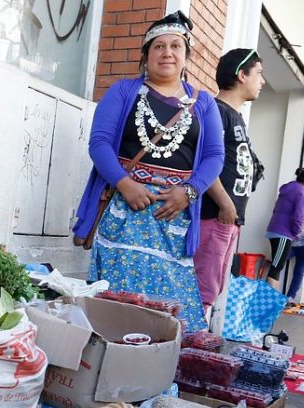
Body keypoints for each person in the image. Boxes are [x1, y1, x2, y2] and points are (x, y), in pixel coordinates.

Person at [72, 11, 225, 331]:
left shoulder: (205, 104)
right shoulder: (123, 91)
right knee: (115, 300)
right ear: (145, 55)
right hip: (125, 213)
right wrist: (124, 183)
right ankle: (109, 365)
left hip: (174, 218)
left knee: (170, 306)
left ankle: (157, 370)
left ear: (186, 56)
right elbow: (99, 143)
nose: (167, 52)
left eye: (176, 46)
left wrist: (189, 191)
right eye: (158, 46)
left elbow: (214, 156)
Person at [194, 48, 265, 314]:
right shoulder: (216, 111)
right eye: (259, 73)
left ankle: (195, 341)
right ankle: (186, 345)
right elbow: (204, 161)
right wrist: (225, 204)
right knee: (203, 286)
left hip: (229, 219)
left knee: (214, 286)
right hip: (215, 215)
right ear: (241, 75)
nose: (263, 81)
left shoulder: (236, 116)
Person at [265, 166, 304, 289]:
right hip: (283, 233)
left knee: (277, 266)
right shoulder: (302, 193)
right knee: (276, 267)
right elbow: (298, 216)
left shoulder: (289, 188)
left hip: (274, 229)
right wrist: (297, 233)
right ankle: (269, 303)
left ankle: (273, 300)